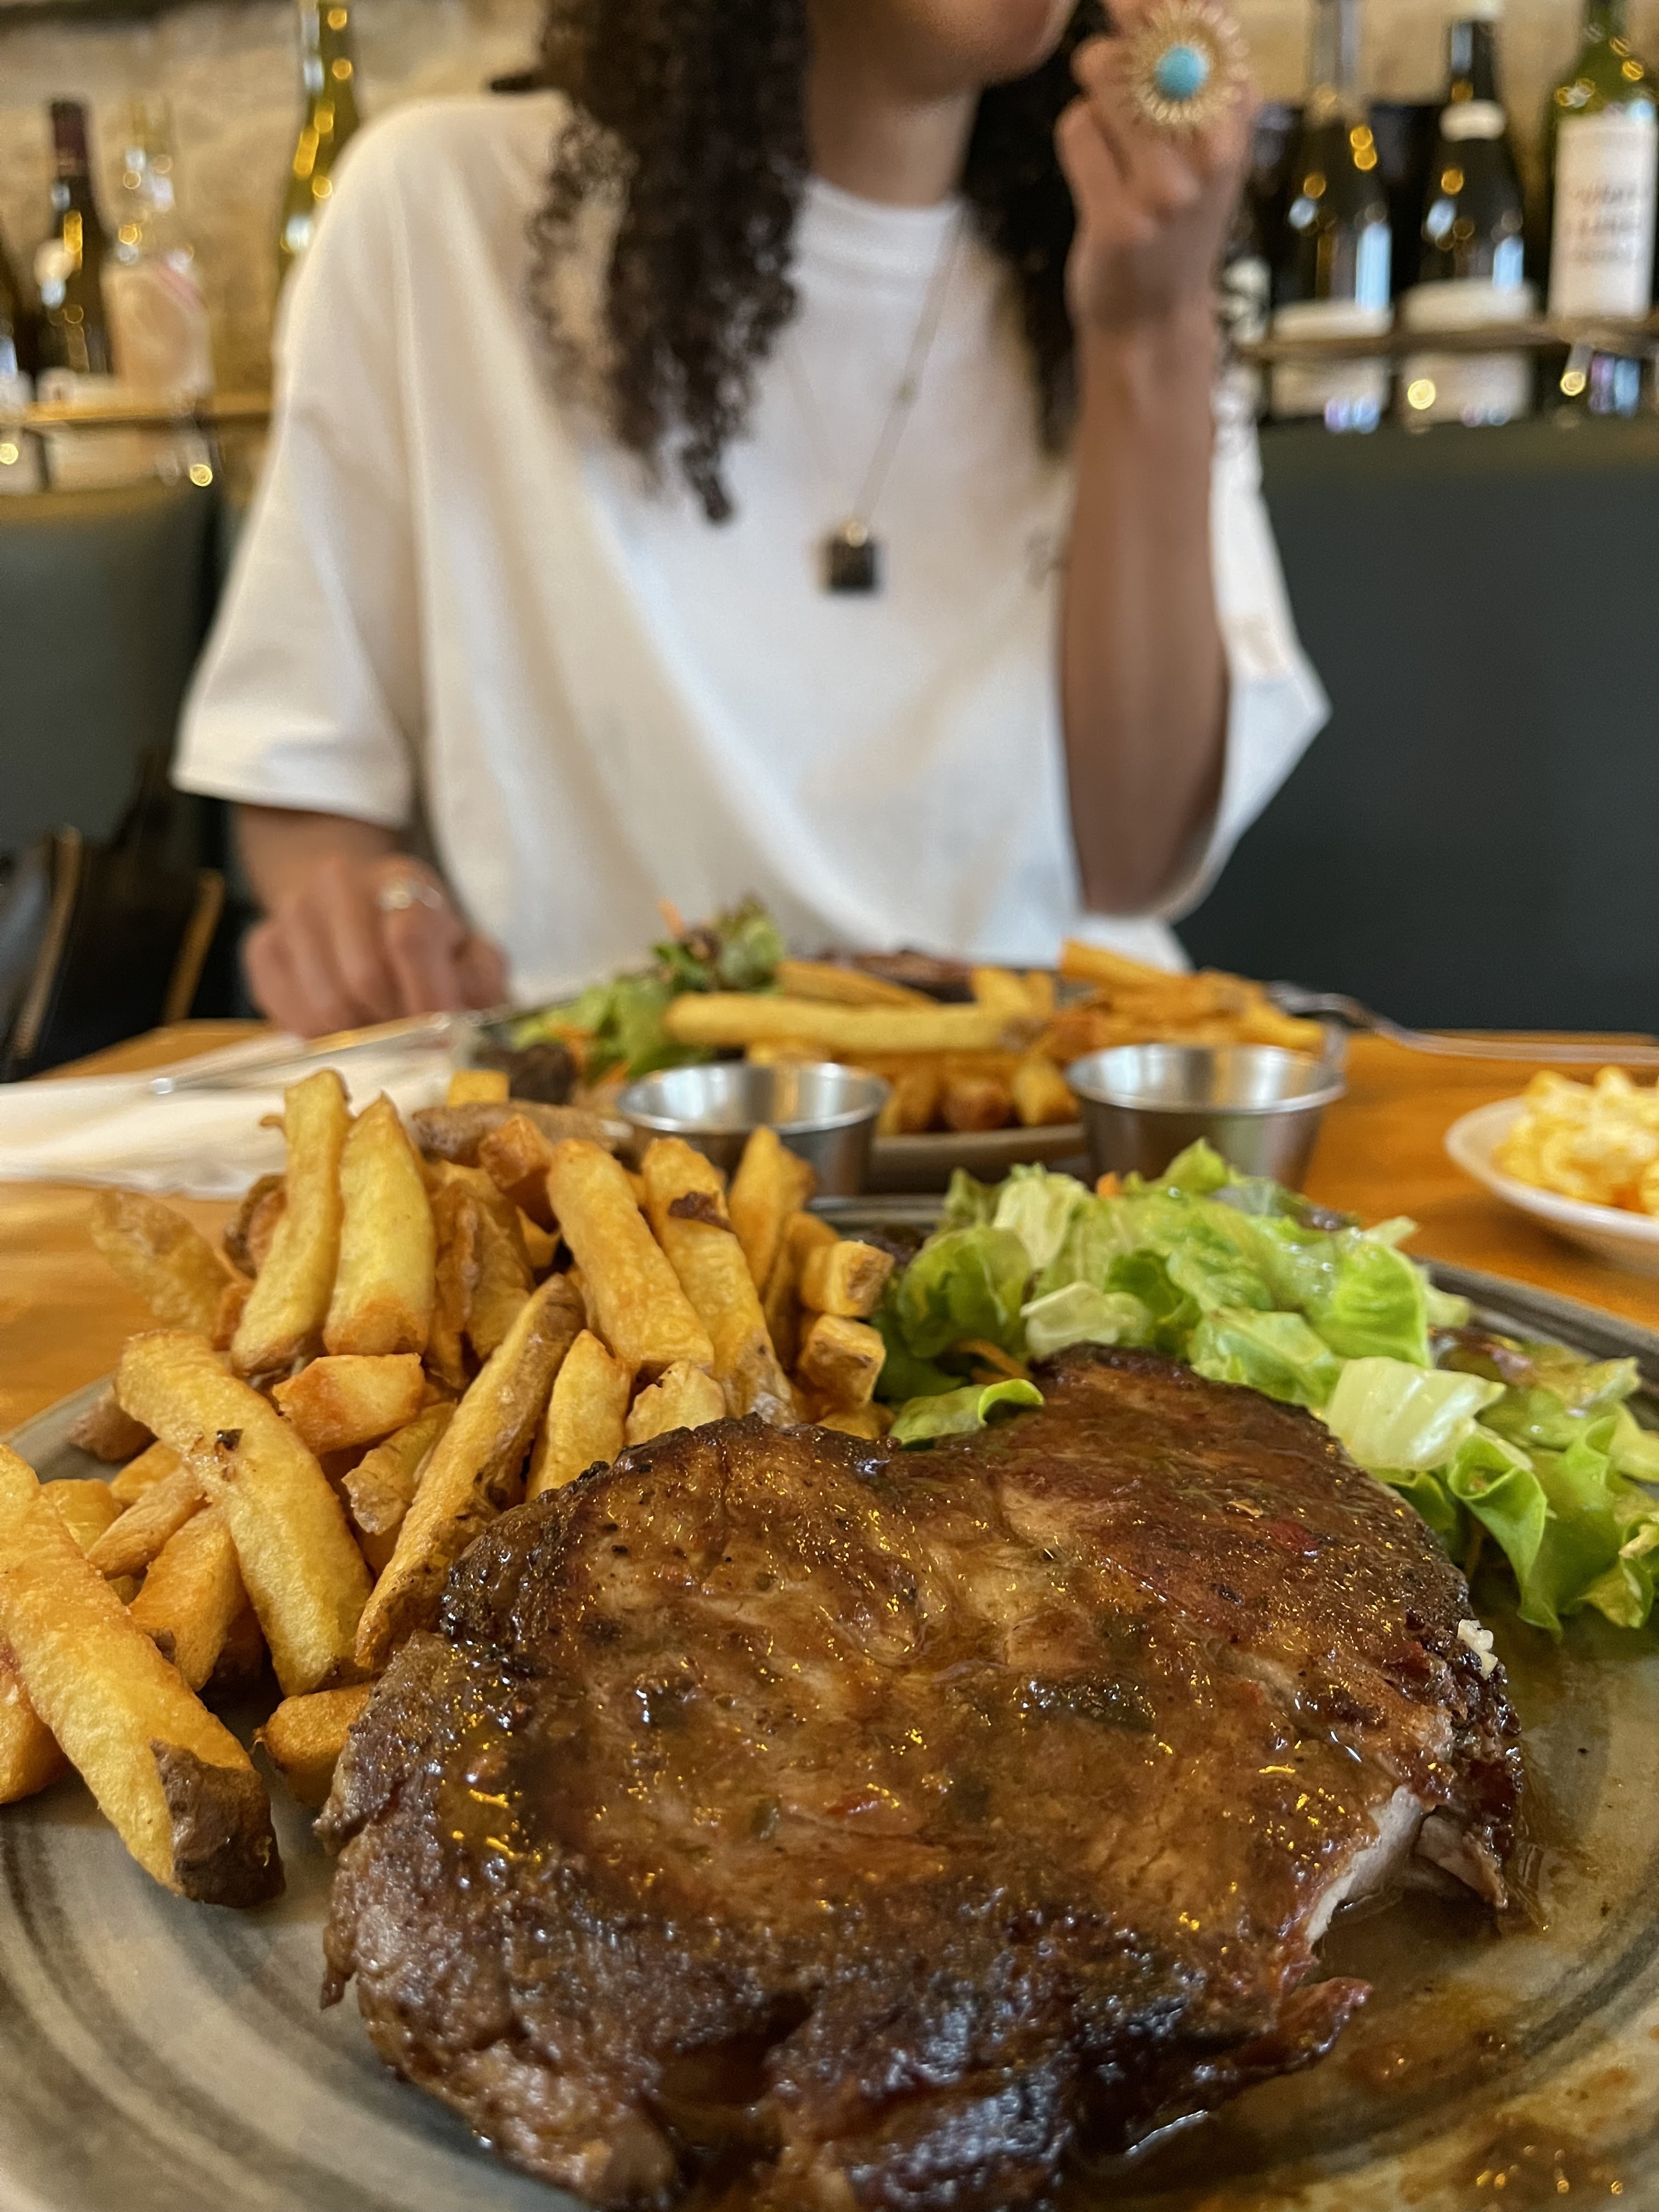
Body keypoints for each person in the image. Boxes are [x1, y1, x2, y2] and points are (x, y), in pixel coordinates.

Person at [175, 0, 1326, 1039]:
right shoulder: (440, 213)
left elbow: (1135, 862)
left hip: (1059, 1122)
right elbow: (309, 785)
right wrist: (378, 915)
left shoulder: (1134, 252)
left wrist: (1151, 331)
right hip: (602, 1127)